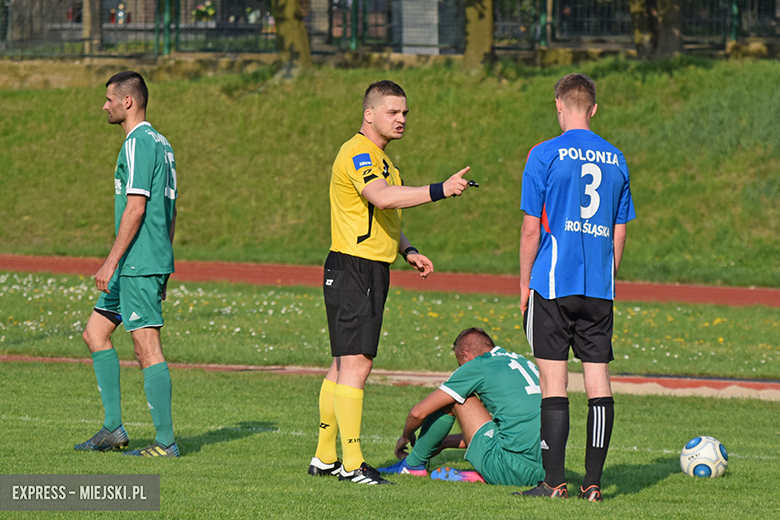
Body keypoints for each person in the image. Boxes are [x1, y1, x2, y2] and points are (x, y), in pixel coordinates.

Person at [307, 80, 474, 485]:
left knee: (342, 363)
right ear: (369, 114)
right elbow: (383, 198)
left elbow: (382, 211)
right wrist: (441, 190)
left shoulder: (383, 159)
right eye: (393, 112)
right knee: (358, 365)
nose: (401, 119)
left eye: (404, 113)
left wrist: (407, 249)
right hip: (356, 268)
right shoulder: (359, 152)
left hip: (360, 267)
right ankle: (352, 463)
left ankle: (325, 457)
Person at [518, 73, 636, 501]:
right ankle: (594, 484)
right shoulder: (617, 158)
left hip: (552, 282)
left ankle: (553, 482)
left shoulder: (544, 154)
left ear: (559, 106)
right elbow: (618, 234)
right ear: (594, 108)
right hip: (598, 288)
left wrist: (523, 284)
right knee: (598, 382)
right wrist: (606, 278)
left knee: (554, 383)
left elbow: (532, 230)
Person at [75, 71, 180, 458]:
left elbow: (137, 209)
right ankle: (113, 428)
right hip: (144, 259)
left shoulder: (137, 143)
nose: (105, 105)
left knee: (145, 344)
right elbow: (170, 211)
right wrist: (164, 261)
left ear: (128, 102)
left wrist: (109, 263)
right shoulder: (163, 143)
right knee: (95, 334)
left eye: (109, 99)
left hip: (136, 260)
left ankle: (166, 442)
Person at [377, 328, 545, 488]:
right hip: (545, 471)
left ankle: (411, 466)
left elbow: (417, 413)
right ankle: (485, 474)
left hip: (511, 469)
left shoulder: (480, 364)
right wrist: (444, 443)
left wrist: (406, 436)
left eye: (460, 363)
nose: (460, 369)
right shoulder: (521, 361)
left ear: (465, 355)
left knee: (454, 398)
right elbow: (511, 430)